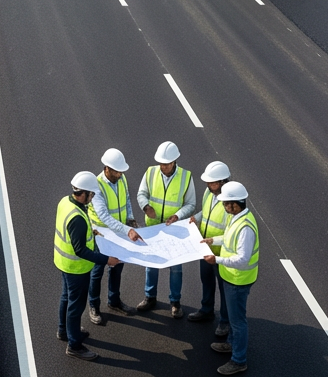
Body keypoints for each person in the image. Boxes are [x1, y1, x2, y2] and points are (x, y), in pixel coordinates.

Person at [54, 172, 121, 361]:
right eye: (91, 195)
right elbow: (80, 250)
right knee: (76, 307)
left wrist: (91, 231)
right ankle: (74, 345)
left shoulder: (65, 202)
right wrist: (106, 259)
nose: (92, 199)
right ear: (82, 193)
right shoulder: (77, 217)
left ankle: (63, 331)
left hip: (63, 262)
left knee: (66, 298)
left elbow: (70, 230)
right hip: (76, 268)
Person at [201, 180, 259, 375]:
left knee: (237, 322)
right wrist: (213, 240)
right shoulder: (237, 218)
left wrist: (215, 259)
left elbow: (242, 259)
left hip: (238, 280)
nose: (224, 206)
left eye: (226, 203)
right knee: (235, 320)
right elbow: (227, 238)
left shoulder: (245, 228)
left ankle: (239, 360)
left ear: (235, 203)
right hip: (231, 277)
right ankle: (231, 344)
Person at [136, 141, 195, 318]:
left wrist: (177, 215)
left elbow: (191, 204)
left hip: (174, 229)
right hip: (153, 228)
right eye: (161, 163)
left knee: (176, 267)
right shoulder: (150, 172)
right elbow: (141, 194)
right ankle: (149, 297)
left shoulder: (186, 177)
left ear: (175, 161)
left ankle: (175, 302)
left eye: (167, 164)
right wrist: (146, 207)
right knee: (151, 264)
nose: (163, 167)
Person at [87, 148, 142, 325]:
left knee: (117, 267)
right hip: (101, 234)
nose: (119, 174)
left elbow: (126, 200)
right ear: (107, 168)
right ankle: (94, 306)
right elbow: (103, 215)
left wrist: (130, 219)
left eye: (121, 172)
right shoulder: (96, 186)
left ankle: (114, 301)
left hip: (118, 232)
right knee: (97, 271)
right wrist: (127, 230)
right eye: (116, 171)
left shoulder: (121, 178)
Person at [188, 161, 231, 336]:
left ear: (223, 182)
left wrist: (212, 241)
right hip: (205, 249)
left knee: (224, 289)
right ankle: (206, 310)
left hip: (222, 254)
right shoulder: (209, 192)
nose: (209, 185)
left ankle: (225, 322)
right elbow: (206, 213)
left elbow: (231, 234)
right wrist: (196, 218)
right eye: (208, 182)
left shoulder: (230, 201)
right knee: (206, 281)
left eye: (213, 183)